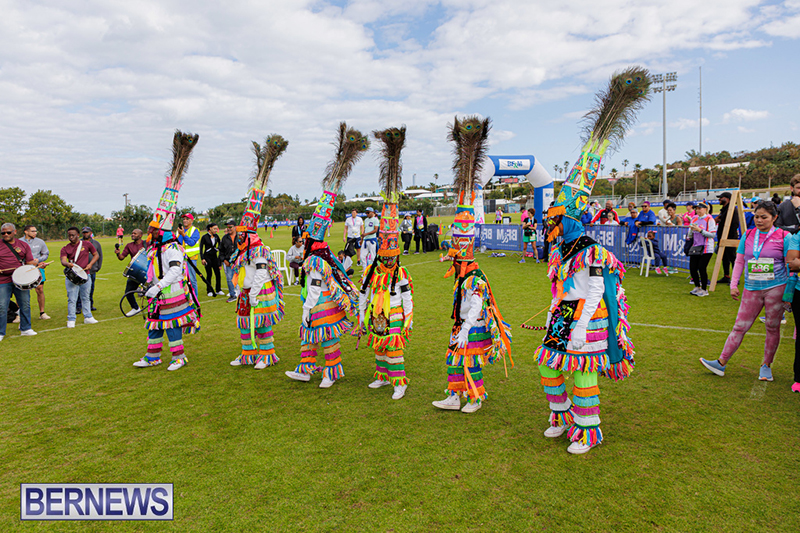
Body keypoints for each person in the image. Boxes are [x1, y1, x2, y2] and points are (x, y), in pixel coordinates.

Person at [534, 72, 644, 454]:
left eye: (554, 220)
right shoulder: (561, 250)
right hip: (565, 312)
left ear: (569, 220)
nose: (549, 225)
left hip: (588, 317)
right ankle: (562, 417)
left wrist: (580, 325)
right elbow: (563, 287)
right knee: (548, 366)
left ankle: (587, 431)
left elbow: (596, 289)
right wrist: (556, 309)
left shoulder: (590, 250)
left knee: (582, 374)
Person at [432, 116, 512, 414]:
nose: (452, 255)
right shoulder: (462, 273)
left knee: (469, 362)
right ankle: (455, 396)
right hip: (461, 324)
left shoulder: (473, 277)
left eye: (456, 251)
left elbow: (477, 305)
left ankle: (475, 398)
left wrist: (466, 328)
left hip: (472, 325)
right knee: (454, 360)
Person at [285, 122, 365, 388]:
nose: (305, 239)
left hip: (320, 305)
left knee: (326, 338)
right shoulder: (321, 255)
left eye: (308, 236)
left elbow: (316, 285)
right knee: (309, 337)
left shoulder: (315, 260)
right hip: (321, 304)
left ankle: (330, 373)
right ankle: (306, 369)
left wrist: (307, 307)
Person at [357, 126, 414, 400]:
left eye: (392, 257)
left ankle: (399, 382)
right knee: (378, 346)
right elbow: (364, 292)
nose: (389, 261)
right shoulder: (372, 270)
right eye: (386, 257)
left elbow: (407, 296)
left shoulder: (400, 272)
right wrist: (361, 315)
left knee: (393, 348)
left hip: (396, 314)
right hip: (376, 312)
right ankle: (381, 376)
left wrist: (409, 317)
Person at [0, 222, 39, 340]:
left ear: (15, 232)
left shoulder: (23, 245)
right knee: (2, 306)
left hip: (21, 279)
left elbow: (29, 261)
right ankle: (1, 333)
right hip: (3, 280)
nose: (6, 235)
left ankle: (26, 328)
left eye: (8, 232)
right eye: (3, 233)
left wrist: (37, 264)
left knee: (25, 304)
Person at [60, 226, 100, 328]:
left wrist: (90, 264)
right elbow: (63, 260)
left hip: (86, 274)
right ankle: (71, 319)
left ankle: (88, 317)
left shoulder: (87, 244)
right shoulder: (65, 248)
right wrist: (68, 264)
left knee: (86, 297)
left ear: (78, 235)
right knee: (72, 299)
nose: (71, 237)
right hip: (72, 276)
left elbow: (96, 255)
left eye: (73, 235)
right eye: (69, 235)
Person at [20, 225, 50, 320]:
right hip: (24, 269)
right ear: (26, 232)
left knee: (40, 289)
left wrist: (39, 260)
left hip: (37, 268)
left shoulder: (40, 242)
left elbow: (45, 253)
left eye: (36, 231)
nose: (35, 233)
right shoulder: (19, 242)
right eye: (33, 231)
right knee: (22, 291)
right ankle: (18, 314)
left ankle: (42, 313)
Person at [688, 201, 716, 297]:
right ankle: (697, 286)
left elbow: (712, 235)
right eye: (697, 209)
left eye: (700, 208)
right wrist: (691, 230)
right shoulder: (694, 219)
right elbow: (690, 235)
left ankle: (704, 289)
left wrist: (700, 230)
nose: (698, 210)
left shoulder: (709, 220)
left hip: (706, 247)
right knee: (692, 268)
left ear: (705, 209)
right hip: (696, 246)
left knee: (701, 268)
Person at [115, 228, 145, 317]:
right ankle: (135, 308)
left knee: (151, 292)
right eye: (132, 233)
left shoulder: (146, 243)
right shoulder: (129, 245)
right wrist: (118, 253)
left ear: (140, 235)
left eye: (135, 233)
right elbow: (121, 257)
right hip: (135, 272)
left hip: (147, 272)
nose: (132, 235)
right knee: (128, 292)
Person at [715, 192, 740, 284]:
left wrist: (729, 237)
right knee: (724, 257)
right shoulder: (724, 209)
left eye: (721, 198)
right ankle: (726, 276)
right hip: (722, 236)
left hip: (730, 237)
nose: (719, 199)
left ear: (728, 199)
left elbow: (735, 224)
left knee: (732, 258)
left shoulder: (732, 209)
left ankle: (735, 278)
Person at [76, 227, 102, 314]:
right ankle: (78, 306)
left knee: (91, 288)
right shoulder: (78, 243)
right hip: (81, 270)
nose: (85, 234)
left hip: (92, 270)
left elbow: (100, 255)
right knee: (79, 289)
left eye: (87, 232)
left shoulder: (96, 243)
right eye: (84, 232)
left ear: (91, 232)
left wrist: (98, 266)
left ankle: (90, 305)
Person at [176, 213, 200, 295]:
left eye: (187, 219)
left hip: (191, 259)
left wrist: (183, 234)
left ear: (191, 221)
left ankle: (195, 298)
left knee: (192, 280)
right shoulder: (179, 231)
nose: (185, 220)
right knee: (181, 279)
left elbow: (191, 243)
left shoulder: (195, 230)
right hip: (180, 258)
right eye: (184, 219)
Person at [199, 222, 223, 297]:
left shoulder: (216, 236)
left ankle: (218, 289)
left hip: (214, 257)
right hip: (207, 257)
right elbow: (201, 248)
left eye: (216, 229)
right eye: (214, 228)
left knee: (218, 273)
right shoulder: (204, 237)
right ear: (210, 229)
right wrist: (202, 258)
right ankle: (209, 290)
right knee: (209, 274)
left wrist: (217, 249)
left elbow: (220, 244)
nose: (216, 230)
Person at [220, 220, 238, 302]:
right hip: (228, 262)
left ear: (235, 227)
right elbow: (221, 251)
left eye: (230, 227)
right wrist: (224, 260)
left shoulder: (240, 237)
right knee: (229, 278)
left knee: (242, 277)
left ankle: (241, 294)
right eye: (227, 227)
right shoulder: (224, 238)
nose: (229, 229)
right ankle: (232, 295)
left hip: (239, 262)